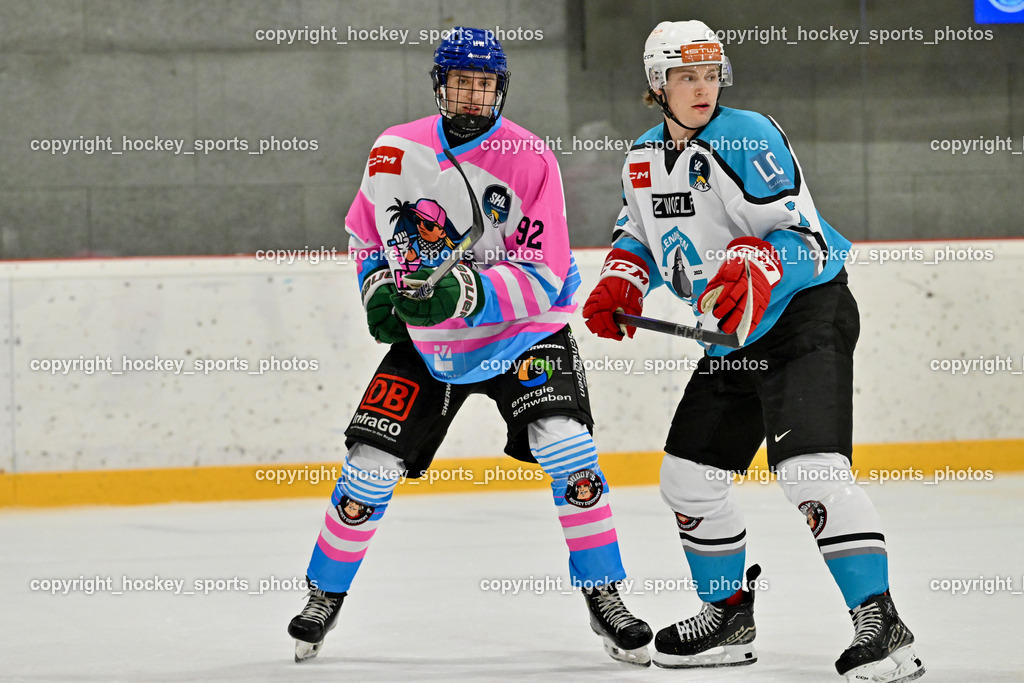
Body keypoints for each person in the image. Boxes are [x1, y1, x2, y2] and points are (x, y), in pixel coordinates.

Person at [286, 26, 653, 667]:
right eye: (464, 83)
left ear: (501, 89)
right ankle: (324, 594)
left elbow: (545, 273)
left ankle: (605, 593)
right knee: (369, 465)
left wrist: (462, 294)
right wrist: (375, 284)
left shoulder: (531, 157)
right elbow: (363, 232)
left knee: (568, 447)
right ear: (440, 85)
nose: (476, 96)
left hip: (522, 334)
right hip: (431, 342)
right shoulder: (393, 150)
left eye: (486, 85)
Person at [582, 20, 925, 682]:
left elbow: (806, 240)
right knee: (687, 477)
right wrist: (622, 276)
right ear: (658, 85)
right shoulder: (641, 160)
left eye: (711, 74)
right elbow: (642, 237)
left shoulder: (751, 136)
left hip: (804, 319)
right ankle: (728, 614)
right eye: (687, 76)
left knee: (811, 471)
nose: (702, 88)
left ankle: (881, 622)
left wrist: (761, 263)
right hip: (733, 336)